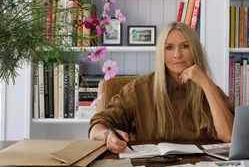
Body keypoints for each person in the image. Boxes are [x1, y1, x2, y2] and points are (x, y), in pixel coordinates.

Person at [89, 21, 234, 154]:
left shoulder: (209, 89)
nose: (177, 55)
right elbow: (96, 126)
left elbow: (229, 135)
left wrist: (206, 83)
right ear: (161, 54)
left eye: (185, 46)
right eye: (169, 48)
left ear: (195, 50)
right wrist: (107, 135)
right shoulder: (139, 89)